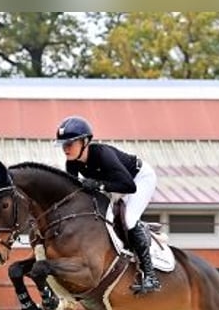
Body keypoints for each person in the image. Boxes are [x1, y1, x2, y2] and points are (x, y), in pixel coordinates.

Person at [54, 115, 161, 294]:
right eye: (63, 144)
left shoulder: (102, 155)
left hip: (139, 179)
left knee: (129, 219)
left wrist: (99, 185)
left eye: (70, 143)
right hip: (116, 183)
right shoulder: (71, 164)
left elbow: (129, 186)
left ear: (85, 142)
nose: (66, 148)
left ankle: (150, 275)